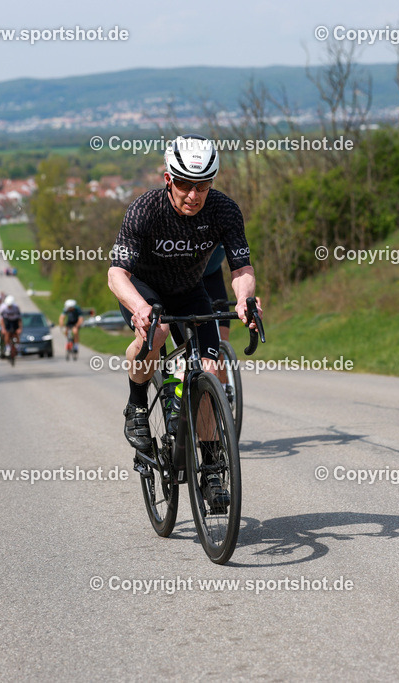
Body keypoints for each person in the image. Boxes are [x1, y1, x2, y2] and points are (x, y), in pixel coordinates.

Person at [107, 134, 261, 511]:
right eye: (185, 185)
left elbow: (241, 268)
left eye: (203, 186)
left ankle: (211, 469)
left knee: (210, 369)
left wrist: (245, 300)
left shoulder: (223, 210)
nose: (194, 195)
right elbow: (116, 273)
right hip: (144, 289)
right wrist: (139, 307)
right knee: (157, 332)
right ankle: (137, 405)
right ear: (168, 179)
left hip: (190, 290)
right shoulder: (145, 209)